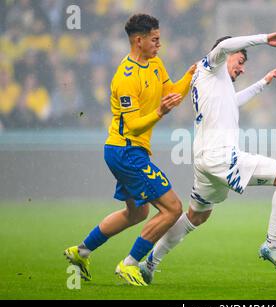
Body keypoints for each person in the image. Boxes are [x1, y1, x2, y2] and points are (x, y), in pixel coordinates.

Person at [140, 32, 276, 284]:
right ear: (225, 56)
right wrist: (265, 38)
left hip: (205, 160)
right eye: (240, 61)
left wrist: (262, 82)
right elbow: (225, 44)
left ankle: (149, 262)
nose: (242, 68)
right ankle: (273, 244)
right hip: (220, 157)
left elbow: (231, 103)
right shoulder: (211, 65)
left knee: (198, 216)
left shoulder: (215, 84)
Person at [64, 13, 196, 286]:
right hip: (125, 150)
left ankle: (81, 251)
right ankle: (129, 264)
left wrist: (191, 75)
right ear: (139, 40)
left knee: (137, 213)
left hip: (128, 151)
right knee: (172, 208)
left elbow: (171, 93)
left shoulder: (155, 63)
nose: (159, 44)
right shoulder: (125, 77)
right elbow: (134, 126)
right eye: (155, 40)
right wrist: (159, 112)